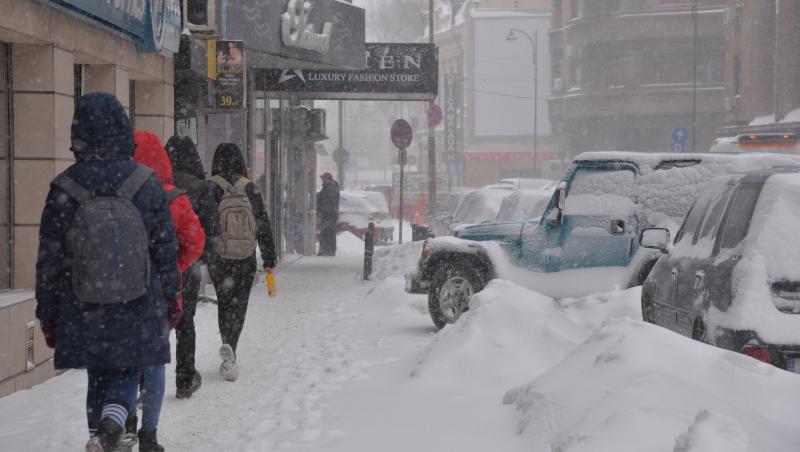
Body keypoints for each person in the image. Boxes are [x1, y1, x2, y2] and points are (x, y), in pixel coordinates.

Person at [35, 92, 181, 452]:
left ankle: (99, 434)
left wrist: (48, 311)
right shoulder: (145, 182)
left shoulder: (63, 187)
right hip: (138, 300)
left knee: (98, 374)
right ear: (122, 129)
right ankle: (114, 421)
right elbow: (165, 248)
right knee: (126, 370)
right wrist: (170, 296)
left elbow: (49, 258)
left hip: (82, 302)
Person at [130, 131, 206, 451]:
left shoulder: (121, 194)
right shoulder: (175, 197)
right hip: (161, 291)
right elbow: (196, 241)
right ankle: (149, 433)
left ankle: (123, 422)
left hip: (121, 290)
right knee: (155, 359)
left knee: (124, 359)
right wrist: (175, 265)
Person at [207, 143, 277, 381]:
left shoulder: (212, 188)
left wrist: (206, 254)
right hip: (245, 259)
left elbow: (205, 225)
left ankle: (226, 342)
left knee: (224, 303)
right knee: (240, 305)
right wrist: (268, 257)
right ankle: (232, 347)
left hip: (221, 258)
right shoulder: (251, 188)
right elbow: (263, 225)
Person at [165, 135, 220, 399]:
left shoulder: (155, 185)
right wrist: (202, 260)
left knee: (157, 323)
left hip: (157, 266)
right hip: (188, 264)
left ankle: (143, 384)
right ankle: (185, 379)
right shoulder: (201, 188)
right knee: (186, 322)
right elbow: (211, 230)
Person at [316, 172, 340, 256]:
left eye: (323, 178)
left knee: (327, 232)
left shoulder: (331, 187)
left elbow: (326, 199)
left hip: (329, 214)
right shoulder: (328, 187)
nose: (322, 180)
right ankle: (327, 250)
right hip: (329, 213)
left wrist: (319, 200)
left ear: (327, 179)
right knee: (327, 232)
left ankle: (327, 251)